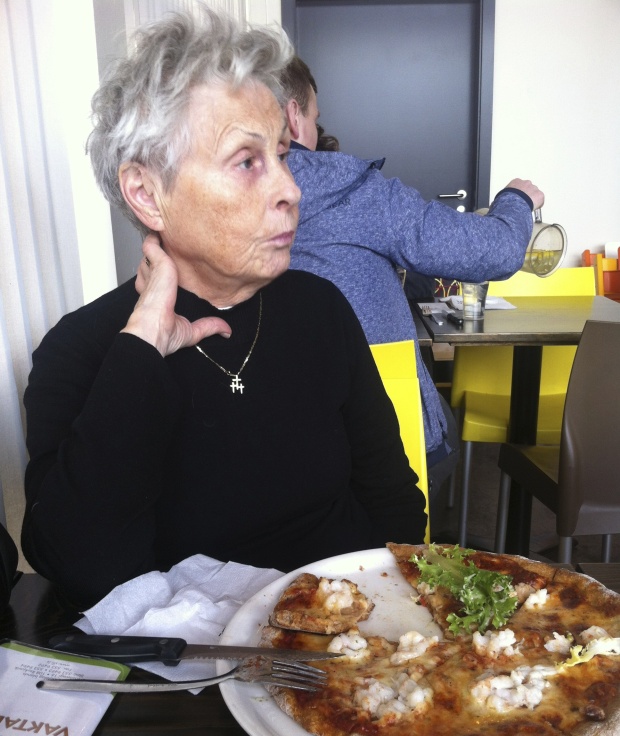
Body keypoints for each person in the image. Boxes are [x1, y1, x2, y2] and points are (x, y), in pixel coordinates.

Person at [20, 10, 426, 610]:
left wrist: (378, 621)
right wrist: (142, 351)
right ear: (147, 194)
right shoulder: (79, 351)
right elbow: (84, 568)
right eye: (247, 161)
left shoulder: (320, 308)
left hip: (346, 634)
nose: (291, 190)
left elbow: (394, 503)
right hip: (190, 659)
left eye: (283, 155)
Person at [278, 56, 544, 500]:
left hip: (270, 444)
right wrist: (516, 199)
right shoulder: (354, 191)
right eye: (314, 116)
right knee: (437, 432)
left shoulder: (211, 198)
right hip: (376, 445)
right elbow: (497, 251)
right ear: (293, 115)